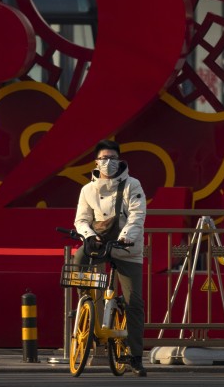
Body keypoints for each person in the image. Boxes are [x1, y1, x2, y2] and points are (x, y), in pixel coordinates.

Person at [73, 139, 148, 377]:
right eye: (104, 158)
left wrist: (126, 237)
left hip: (127, 248)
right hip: (99, 244)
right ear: (96, 161)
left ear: (120, 161)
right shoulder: (88, 189)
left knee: (134, 302)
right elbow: (81, 220)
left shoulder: (132, 185)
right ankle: (88, 307)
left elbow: (137, 215)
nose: (108, 163)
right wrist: (90, 236)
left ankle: (135, 357)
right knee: (78, 259)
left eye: (113, 159)